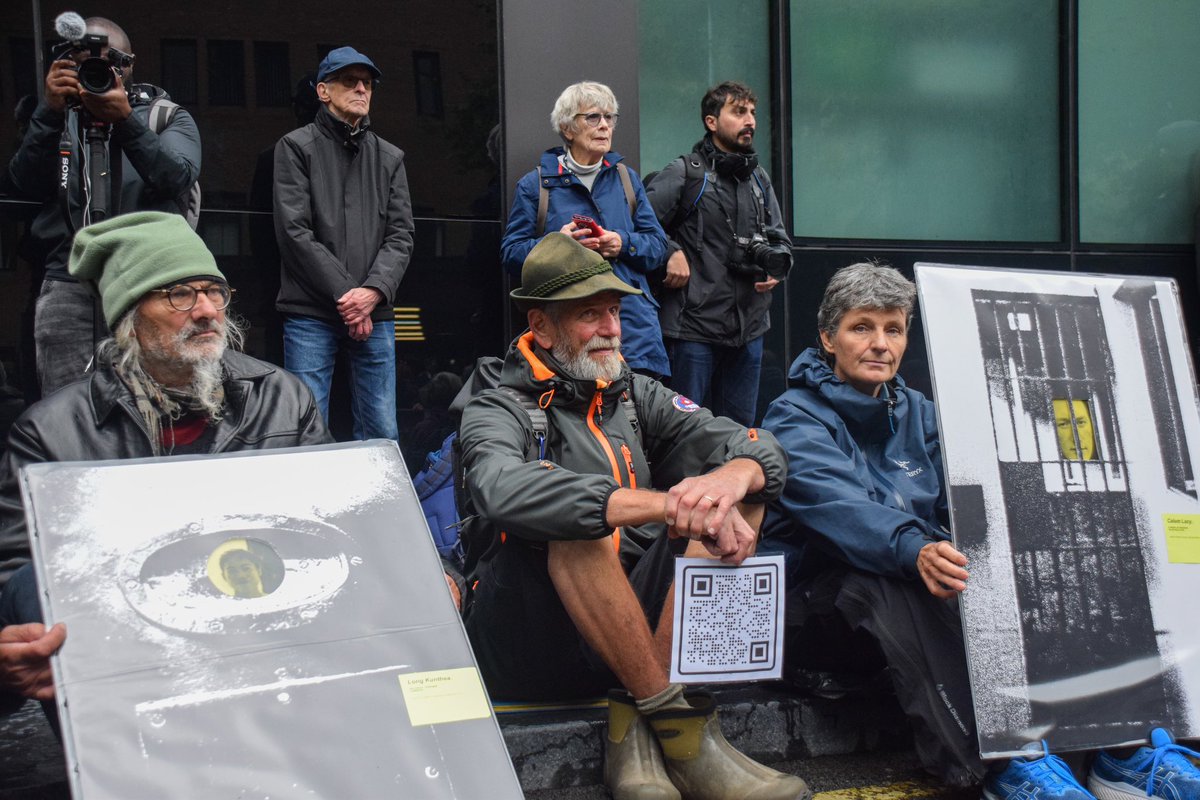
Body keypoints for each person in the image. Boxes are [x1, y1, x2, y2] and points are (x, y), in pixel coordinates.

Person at [759, 262, 1200, 800]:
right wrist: (917, 547)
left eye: (893, 329)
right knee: (897, 573)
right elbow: (844, 512)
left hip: (911, 594)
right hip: (819, 617)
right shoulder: (792, 418)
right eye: (862, 327)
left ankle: (1121, 749)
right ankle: (1002, 766)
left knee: (1047, 552)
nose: (880, 344)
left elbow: (982, 490)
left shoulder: (919, 413)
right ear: (829, 337)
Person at [460, 232, 811, 800]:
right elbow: (500, 488)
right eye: (589, 314)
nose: (610, 329)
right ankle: (687, 734)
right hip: (529, 636)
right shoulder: (495, 403)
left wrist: (725, 482)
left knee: (743, 491)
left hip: (625, 628)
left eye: (615, 312)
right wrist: (665, 503)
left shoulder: (634, 394)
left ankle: (644, 724)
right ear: (541, 326)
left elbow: (758, 446)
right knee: (579, 521)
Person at [0, 211, 332, 715]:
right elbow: (15, 576)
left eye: (213, 291)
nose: (206, 311)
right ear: (130, 317)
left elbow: (341, 520)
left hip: (272, 652)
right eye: (179, 293)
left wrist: (437, 574)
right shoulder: (50, 432)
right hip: (132, 676)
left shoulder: (282, 396)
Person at [5, 16, 202, 396]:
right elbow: (19, 190)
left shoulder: (165, 116)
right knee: (67, 408)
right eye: (83, 63)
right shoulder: (55, 117)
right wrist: (48, 113)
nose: (96, 72)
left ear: (129, 66)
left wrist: (126, 122)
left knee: (157, 404)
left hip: (148, 282)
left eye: (113, 62)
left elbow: (177, 178)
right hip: (68, 280)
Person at [273, 46, 414, 441]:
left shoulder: (390, 157)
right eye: (349, 81)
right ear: (323, 91)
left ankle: (381, 505)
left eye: (366, 83)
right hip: (310, 311)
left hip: (376, 311)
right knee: (307, 428)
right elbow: (294, 233)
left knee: (383, 429)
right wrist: (350, 295)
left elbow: (402, 236)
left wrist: (372, 292)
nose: (360, 89)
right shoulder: (295, 147)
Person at [500, 81, 671, 381]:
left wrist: (621, 243)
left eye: (610, 117)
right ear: (568, 128)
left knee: (638, 421)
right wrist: (557, 245)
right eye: (593, 117)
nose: (604, 125)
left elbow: (658, 246)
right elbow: (511, 254)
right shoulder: (536, 185)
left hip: (634, 333)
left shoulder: (626, 179)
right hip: (570, 333)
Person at [645, 81, 792, 427]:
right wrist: (671, 250)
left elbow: (780, 239)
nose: (750, 121)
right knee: (684, 430)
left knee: (738, 432)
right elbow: (639, 223)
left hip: (749, 329)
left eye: (753, 113)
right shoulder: (685, 173)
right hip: (692, 327)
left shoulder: (759, 179)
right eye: (739, 112)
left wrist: (777, 266)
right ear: (711, 121)